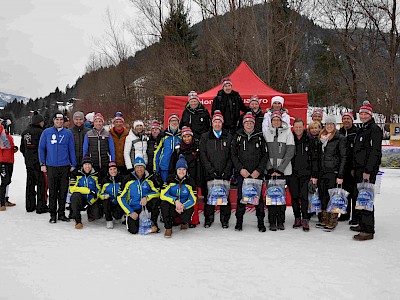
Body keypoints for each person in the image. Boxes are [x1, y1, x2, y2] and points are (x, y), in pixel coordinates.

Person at [351, 101, 382, 241]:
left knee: (366, 199)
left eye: (365, 114)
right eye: (361, 113)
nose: (363, 116)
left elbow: (375, 152)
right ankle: (362, 224)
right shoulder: (362, 129)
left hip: (367, 171)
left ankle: (368, 230)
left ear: (370, 115)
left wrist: (368, 170)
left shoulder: (374, 129)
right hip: (358, 170)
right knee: (360, 198)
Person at [231, 112, 268, 232]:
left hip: (256, 174)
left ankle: (261, 222)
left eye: (251, 122)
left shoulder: (260, 136)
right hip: (243, 173)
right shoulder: (237, 136)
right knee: (241, 198)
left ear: (254, 123)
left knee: (258, 199)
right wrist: (241, 169)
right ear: (243, 124)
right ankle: (239, 221)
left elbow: (265, 155)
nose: (249, 124)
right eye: (246, 122)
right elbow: (233, 155)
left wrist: (259, 170)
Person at [39, 112, 76, 223]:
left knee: (63, 191)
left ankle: (61, 213)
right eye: (57, 119)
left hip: (64, 166)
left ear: (63, 121)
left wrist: (73, 163)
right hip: (51, 166)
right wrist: (42, 163)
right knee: (53, 191)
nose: (59, 122)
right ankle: (52, 215)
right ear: (53, 120)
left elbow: (71, 149)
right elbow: (41, 148)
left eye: (61, 120)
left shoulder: (68, 133)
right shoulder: (47, 132)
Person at [199, 110, 233, 228]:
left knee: (224, 196)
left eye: (219, 122)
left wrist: (226, 170)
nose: (217, 124)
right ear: (212, 123)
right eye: (215, 122)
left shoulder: (228, 136)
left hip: (224, 172)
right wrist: (210, 170)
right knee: (209, 196)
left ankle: (225, 219)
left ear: (222, 123)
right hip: (209, 173)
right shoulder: (205, 137)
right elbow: (202, 155)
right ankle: (209, 219)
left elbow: (231, 155)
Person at [263, 111, 295, 231]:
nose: (276, 122)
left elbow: (290, 152)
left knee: (281, 197)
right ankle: (272, 221)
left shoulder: (288, 133)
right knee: (271, 197)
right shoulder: (266, 132)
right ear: (271, 121)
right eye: (274, 120)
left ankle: (280, 220)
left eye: (278, 120)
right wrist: (269, 168)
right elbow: (263, 152)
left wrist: (280, 170)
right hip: (270, 171)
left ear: (281, 121)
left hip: (283, 171)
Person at [315, 115, 347, 231]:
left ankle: (332, 220)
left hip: (333, 171)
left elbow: (343, 157)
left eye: (331, 124)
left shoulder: (340, 138)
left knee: (332, 197)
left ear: (334, 126)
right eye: (327, 124)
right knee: (323, 195)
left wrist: (340, 175)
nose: (329, 126)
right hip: (322, 171)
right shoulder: (321, 137)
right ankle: (324, 219)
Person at [169, 126, 201, 228]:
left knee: (192, 200)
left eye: (188, 136)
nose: (187, 139)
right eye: (184, 137)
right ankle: (178, 219)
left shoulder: (196, 148)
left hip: (193, 178)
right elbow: (172, 164)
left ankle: (193, 220)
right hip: (179, 178)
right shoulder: (178, 149)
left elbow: (200, 165)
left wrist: (198, 180)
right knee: (179, 197)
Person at [117, 157, 159, 235]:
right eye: (137, 167)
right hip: (133, 208)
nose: (139, 169)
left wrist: (146, 197)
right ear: (134, 168)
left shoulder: (150, 178)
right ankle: (129, 218)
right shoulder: (127, 179)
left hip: (145, 206)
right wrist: (130, 212)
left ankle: (153, 223)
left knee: (155, 201)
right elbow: (120, 197)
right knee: (133, 231)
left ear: (144, 168)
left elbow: (157, 192)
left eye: (141, 167)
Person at [287, 118, 314, 232]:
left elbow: (314, 158)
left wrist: (314, 174)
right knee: (294, 196)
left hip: (305, 173)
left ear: (304, 127)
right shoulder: (290, 138)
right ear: (293, 127)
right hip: (292, 173)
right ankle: (297, 217)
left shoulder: (310, 139)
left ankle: (305, 218)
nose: (298, 129)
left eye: (300, 127)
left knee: (304, 197)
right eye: (296, 127)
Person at [160, 155, 196, 238]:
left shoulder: (190, 181)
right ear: (176, 170)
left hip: (183, 206)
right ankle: (168, 228)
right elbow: (163, 194)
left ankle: (184, 222)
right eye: (179, 169)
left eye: (184, 169)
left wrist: (183, 205)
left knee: (189, 211)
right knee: (164, 204)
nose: (181, 171)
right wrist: (175, 201)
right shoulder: (170, 179)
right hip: (173, 205)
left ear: (186, 170)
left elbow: (193, 199)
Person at [20, 111, 47, 213]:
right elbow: (44, 148)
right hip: (39, 162)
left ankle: (29, 206)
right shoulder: (41, 132)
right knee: (41, 184)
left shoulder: (25, 132)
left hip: (28, 161)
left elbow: (22, 148)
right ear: (39, 122)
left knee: (30, 183)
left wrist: (27, 156)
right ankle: (41, 207)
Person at [83, 113, 116, 184]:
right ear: (93, 123)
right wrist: (85, 162)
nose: (98, 123)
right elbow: (85, 149)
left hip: (105, 163)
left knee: (104, 182)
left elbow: (111, 148)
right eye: (96, 121)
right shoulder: (89, 134)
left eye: (100, 121)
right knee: (95, 182)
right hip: (93, 163)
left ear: (103, 122)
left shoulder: (107, 134)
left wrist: (112, 160)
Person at [69, 156, 101, 229]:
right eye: (85, 164)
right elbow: (71, 189)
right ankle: (78, 221)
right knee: (75, 196)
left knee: (97, 215)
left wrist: (90, 202)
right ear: (82, 165)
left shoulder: (96, 173)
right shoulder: (76, 173)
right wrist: (88, 190)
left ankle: (90, 214)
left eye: (89, 164)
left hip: (91, 200)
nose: (87, 166)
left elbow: (98, 190)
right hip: (80, 199)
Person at [338, 111, 359, 223]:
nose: (346, 120)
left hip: (352, 167)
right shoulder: (339, 132)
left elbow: (357, 151)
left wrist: (355, 166)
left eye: (348, 118)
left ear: (352, 120)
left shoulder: (356, 132)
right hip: (342, 167)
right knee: (344, 192)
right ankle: (345, 213)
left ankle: (355, 216)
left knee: (354, 193)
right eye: (344, 118)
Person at [153, 114, 182, 183]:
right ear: (169, 122)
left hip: (177, 167)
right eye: (172, 121)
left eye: (176, 121)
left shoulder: (181, 135)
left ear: (178, 122)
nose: (174, 123)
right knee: (165, 186)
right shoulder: (163, 135)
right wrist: (156, 169)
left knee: (175, 188)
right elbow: (157, 152)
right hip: (164, 166)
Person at [99, 162, 124, 229]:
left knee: (117, 216)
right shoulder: (105, 180)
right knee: (105, 200)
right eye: (111, 169)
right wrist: (104, 195)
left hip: (118, 202)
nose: (113, 171)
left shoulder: (121, 178)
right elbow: (100, 194)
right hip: (109, 202)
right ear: (108, 171)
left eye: (114, 169)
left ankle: (119, 215)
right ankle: (109, 220)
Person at [0, 121, 18, 211]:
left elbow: (10, 147)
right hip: (2, 161)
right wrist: (2, 124)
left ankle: (5, 199)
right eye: (7, 126)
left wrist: (14, 149)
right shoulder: (1, 134)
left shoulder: (9, 136)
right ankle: (1, 202)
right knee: (4, 181)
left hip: (10, 161)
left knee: (8, 181)